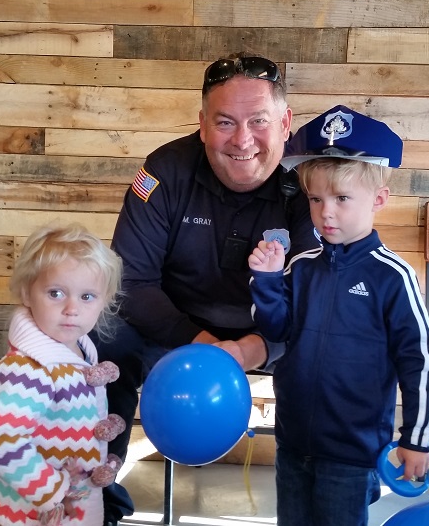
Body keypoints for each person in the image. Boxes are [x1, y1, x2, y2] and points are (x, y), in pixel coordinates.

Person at [95, 52, 319, 524]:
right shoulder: (165, 170)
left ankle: (316, 510)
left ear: (285, 122)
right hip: (174, 330)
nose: (242, 140)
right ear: (202, 125)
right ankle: (96, 498)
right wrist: (207, 347)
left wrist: (248, 351)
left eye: (258, 120)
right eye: (224, 122)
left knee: (333, 350)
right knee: (102, 340)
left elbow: (316, 298)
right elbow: (129, 281)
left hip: (276, 335)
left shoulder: (310, 181)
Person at [248, 105, 429, 526]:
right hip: (293, 442)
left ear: (379, 200)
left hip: (352, 454)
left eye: (341, 199)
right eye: (315, 199)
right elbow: (277, 330)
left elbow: (421, 360)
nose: (326, 212)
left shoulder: (394, 277)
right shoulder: (300, 265)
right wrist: (265, 281)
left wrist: (417, 437)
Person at [0, 224, 127, 526]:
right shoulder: (29, 369)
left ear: (103, 300)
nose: (72, 309)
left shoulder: (78, 354)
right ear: (26, 293)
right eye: (56, 293)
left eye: (87, 297)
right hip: (27, 515)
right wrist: (52, 489)